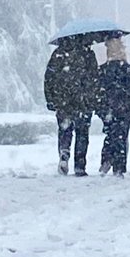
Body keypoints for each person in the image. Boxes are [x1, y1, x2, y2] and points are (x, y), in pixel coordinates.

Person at [44, 36, 99, 176]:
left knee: (65, 130)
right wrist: (93, 98)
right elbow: (94, 78)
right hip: (83, 102)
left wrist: (51, 99)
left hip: (63, 101)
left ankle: (64, 152)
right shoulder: (87, 54)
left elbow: (49, 78)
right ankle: (80, 166)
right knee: (82, 133)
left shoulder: (58, 54)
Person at [96, 37, 130, 178]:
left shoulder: (103, 70)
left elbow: (98, 90)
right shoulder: (128, 69)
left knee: (110, 134)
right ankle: (119, 166)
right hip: (125, 108)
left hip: (108, 108)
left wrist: (99, 106)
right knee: (122, 136)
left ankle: (106, 159)